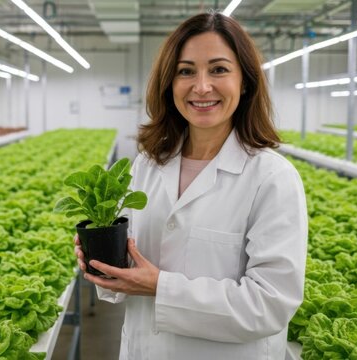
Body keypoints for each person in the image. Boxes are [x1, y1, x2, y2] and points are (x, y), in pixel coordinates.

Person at [74, 11, 308, 360]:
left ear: (245, 81)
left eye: (218, 69)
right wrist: (105, 266)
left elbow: (269, 305)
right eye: (186, 71)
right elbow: (131, 266)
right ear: (169, 83)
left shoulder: (272, 178)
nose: (201, 86)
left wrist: (160, 287)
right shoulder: (148, 165)